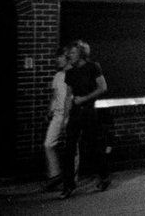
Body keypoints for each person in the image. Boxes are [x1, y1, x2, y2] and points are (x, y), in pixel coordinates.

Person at [58, 40, 110, 199]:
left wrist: (85, 98)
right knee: (69, 149)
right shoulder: (71, 72)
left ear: (81, 53)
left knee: (93, 146)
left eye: (72, 53)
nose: (69, 56)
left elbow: (103, 87)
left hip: (88, 112)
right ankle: (68, 186)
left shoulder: (93, 67)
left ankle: (103, 177)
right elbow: (68, 96)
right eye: (68, 54)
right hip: (75, 113)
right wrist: (64, 118)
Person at [43, 47, 70, 191]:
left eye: (59, 57)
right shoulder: (58, 76)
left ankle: (71, 179)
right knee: (48, 144)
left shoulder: (72, 75)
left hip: (69, 114)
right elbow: (55, 96)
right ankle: (55, 175)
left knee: (72, 148)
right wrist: (49, 111)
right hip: (57, 115)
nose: (57, 60)